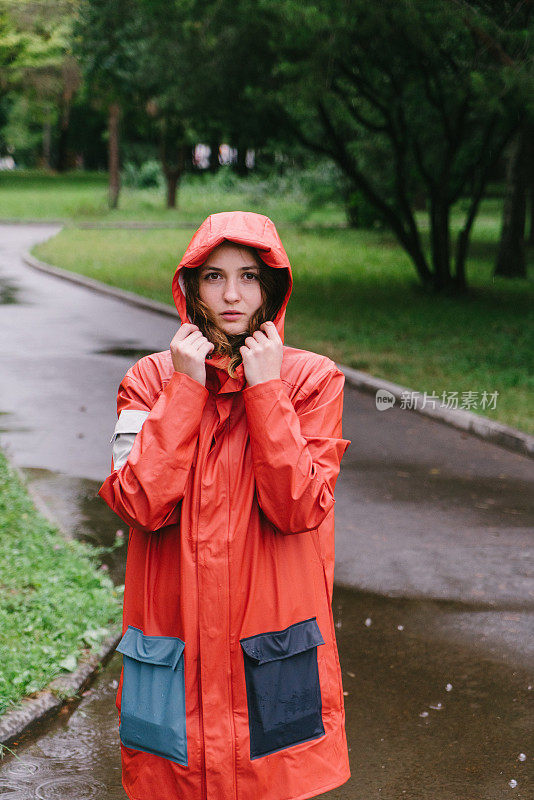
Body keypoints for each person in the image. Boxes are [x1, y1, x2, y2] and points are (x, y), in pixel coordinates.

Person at [98, 210, 352, 800]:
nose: (232, 295)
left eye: (248, 276)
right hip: (172, 645)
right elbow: (140, 502)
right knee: (175, 782)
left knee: (271, 779)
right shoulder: (148, 380)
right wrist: (184, 389)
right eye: (213, 277)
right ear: (191, 287)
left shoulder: (312, 379)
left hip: (272, 645)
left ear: (272, 287)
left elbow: (298, 508)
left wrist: (265, 390)